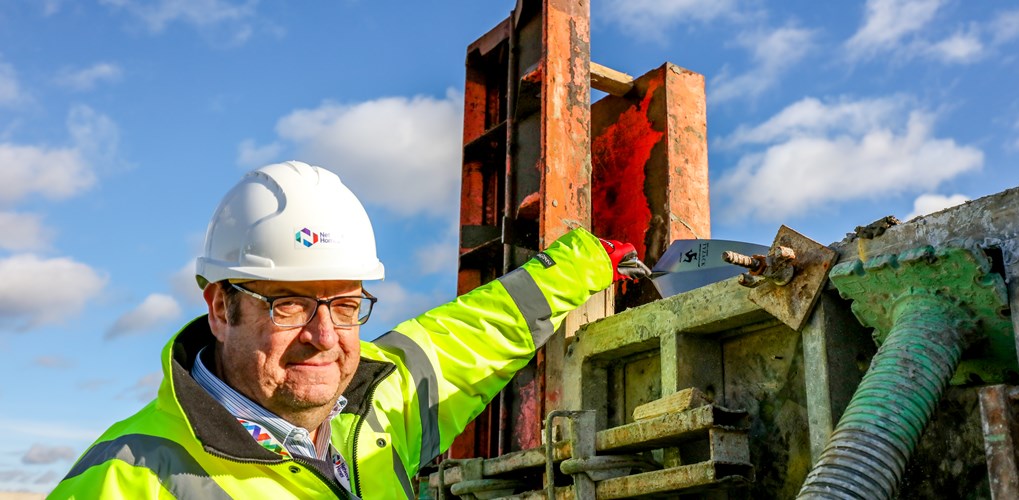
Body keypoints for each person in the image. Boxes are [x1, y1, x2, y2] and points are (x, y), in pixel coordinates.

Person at [51, 161, 650, 499]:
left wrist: (586, 264)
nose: (325, 336)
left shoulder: (375, 409)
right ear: (219, 307)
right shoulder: (124, 480)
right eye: (287, 304)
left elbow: (471, 337)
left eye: (343, 303)